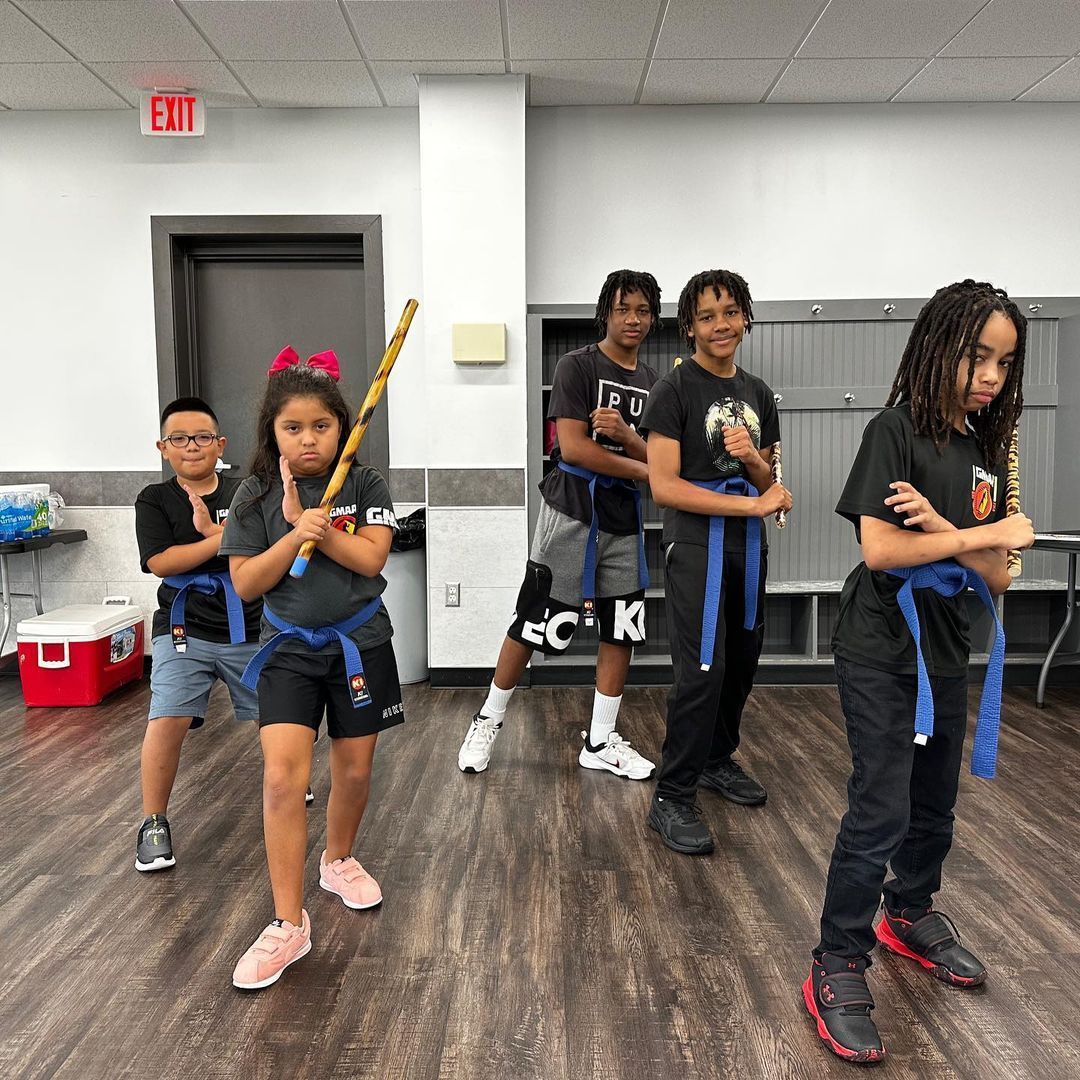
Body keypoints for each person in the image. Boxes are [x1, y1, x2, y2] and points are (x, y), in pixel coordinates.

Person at [803, 280, 1035, 1063]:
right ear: (939, 345)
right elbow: (881, 551)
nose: (991, 375)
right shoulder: (893, 429)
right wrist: (977, 534)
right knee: (881, 808)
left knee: (934, 807)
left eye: (1004, 362)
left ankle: (908, 912)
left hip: (946, 646)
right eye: (977, 355)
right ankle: (835, 961)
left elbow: (998, 578)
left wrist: (951, 529)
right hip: (879, 645)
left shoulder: (985, 449)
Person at [220, 349, 402, 990]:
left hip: (361, 644)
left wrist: (320, 532)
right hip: (289, 651)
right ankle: (286, 923)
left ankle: (339, 859)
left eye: (321, 426)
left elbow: (372, 561)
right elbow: (245, 586)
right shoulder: (255, 493)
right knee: (280, 780)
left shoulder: (367, 486)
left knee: (354, 769)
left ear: (344, 427)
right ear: (272, 432)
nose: (307, 440)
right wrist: (292, 531)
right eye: (292, 428)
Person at [457, 270, 662, 780]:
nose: (633, 319)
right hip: (570, 513)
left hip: (623, 522)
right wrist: (648, 471)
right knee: (533, 620)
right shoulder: (577, 366)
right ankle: (487, 719)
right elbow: (573, 447)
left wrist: (639, 454)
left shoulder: (656, 384)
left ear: (653, 316)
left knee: (622, 626)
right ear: (605, 314)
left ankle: (599, 739)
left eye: (642, 309)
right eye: (622, 309)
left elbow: (661, 452)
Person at [640, 269, 791, 855]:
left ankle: (716, 759)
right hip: (698, 544)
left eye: (730, 312)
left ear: (745, 316)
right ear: (690, 327)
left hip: (748, 546)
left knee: (744, 660)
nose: (721, 324)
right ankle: (672, 795)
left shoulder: (757, 393)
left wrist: (755, 463)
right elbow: (666, 488)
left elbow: (768, 477)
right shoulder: (673, 392)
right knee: (702, 668)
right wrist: (752, 503)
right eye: (707, 316)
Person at [134, 397, 263, 872]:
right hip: (183, 627)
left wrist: (211, 540)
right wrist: (223, 539)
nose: (192, 447)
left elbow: (263, 548)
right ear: (163, 447)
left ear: (220, 444)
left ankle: (288, 780)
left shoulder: (247, 491)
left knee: (281, 714)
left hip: (250, 622)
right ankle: (152, 821)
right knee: (167, 717)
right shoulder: (154, 499)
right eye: (180, 439)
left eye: (203, 437)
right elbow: (161, 563)